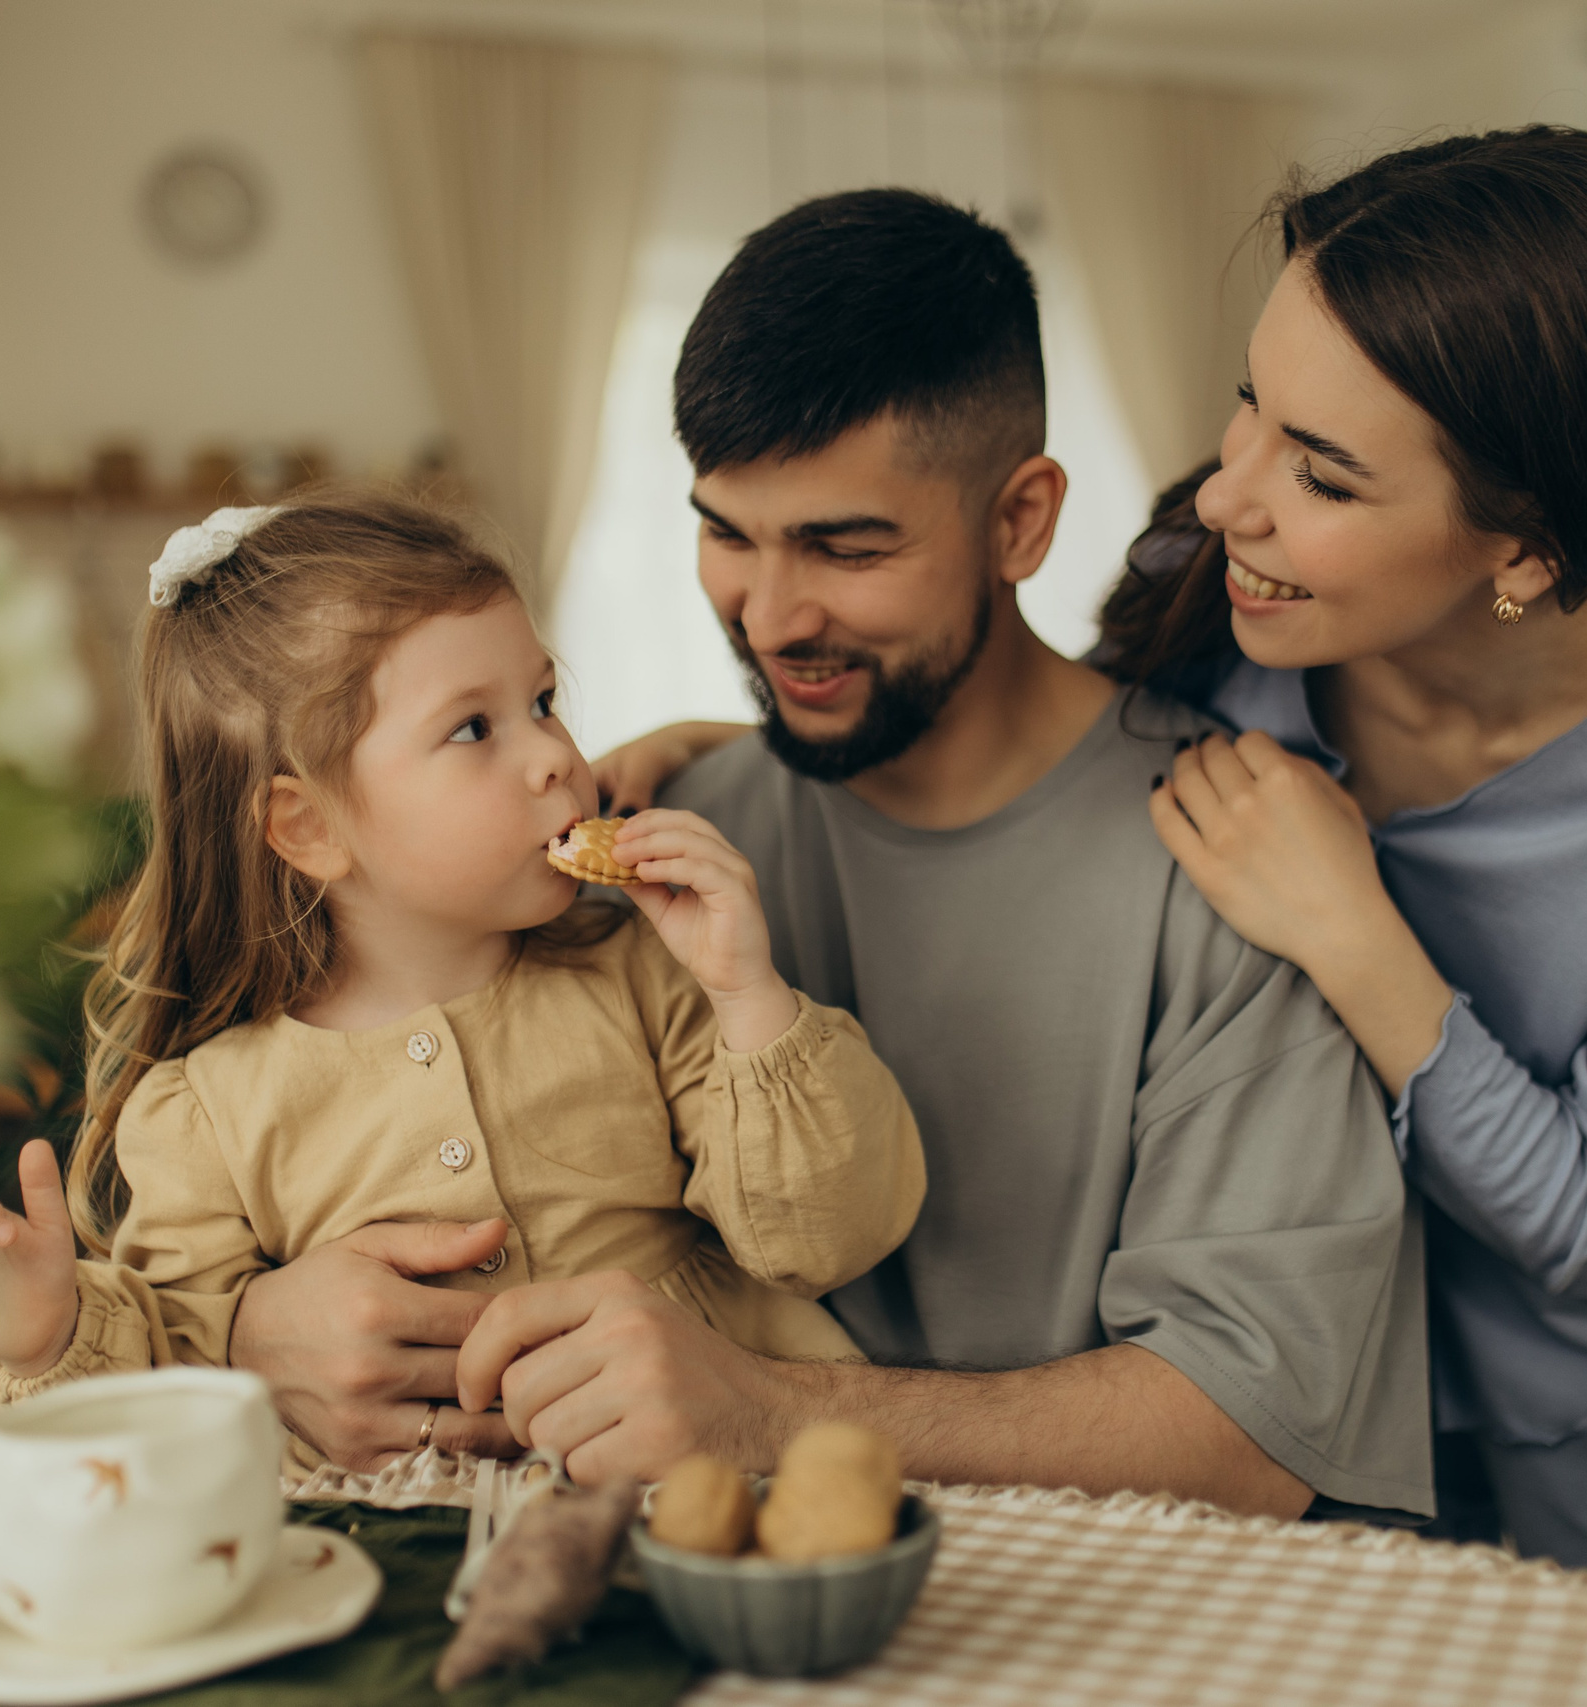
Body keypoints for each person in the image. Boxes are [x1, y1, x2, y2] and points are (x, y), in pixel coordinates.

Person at [229, 190, 1433, 1522]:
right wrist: (248, 1330)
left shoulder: (1239, 856)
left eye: (847, 547)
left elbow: (1253, 1427)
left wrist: (765, 1402)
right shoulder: (651, 837)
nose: (772, 610)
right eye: (727, 533)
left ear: (1021, 522)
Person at [1103, 129, 1587, 1617]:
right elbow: (1033, 771)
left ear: (1527, 547)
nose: (1226, 498)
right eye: (1250, 404)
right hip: (1315, 1380)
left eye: (1320, 471)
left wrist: (1352, 926)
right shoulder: (1212, 597)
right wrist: (733, 764)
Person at [0, 494, 925, 1482]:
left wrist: (749, 997)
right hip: (390, 1568)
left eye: (542, 702)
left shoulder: (644, 980)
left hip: (696, 1485)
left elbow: (827, 1240)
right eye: (474, 731)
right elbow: (183, 1376)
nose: (555, 762)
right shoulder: (205, 1113)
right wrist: (49, 1334)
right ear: (307, 828)